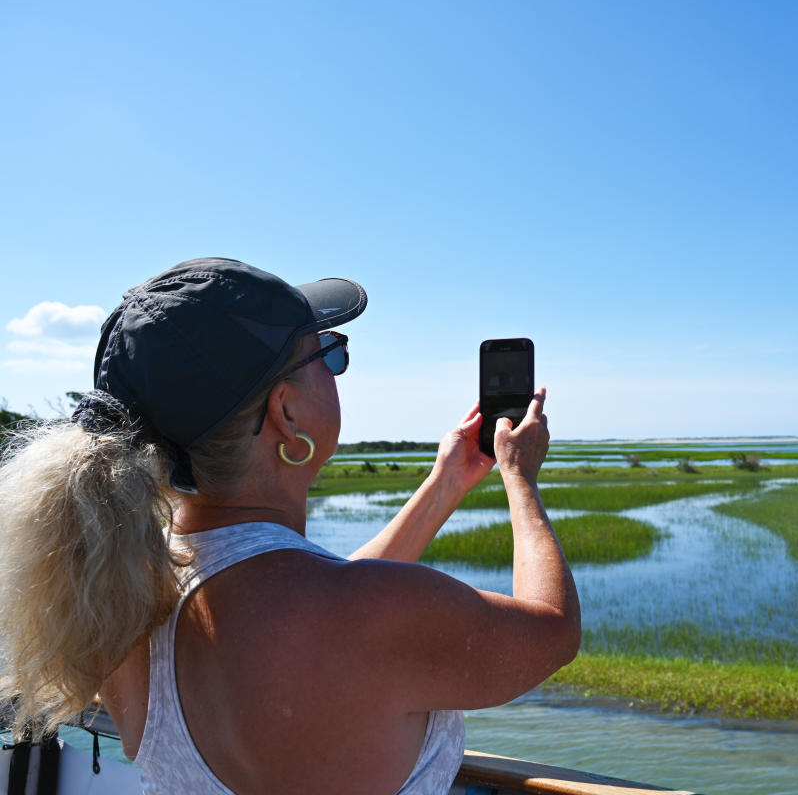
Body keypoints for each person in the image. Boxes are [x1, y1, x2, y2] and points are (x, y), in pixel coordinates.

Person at [0, 258, 580, 794]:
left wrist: (446, 482)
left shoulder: (124, 593)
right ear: (286, 412)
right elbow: (552, 633)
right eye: (328, 354)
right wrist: (519, 478)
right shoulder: (357, 613)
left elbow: (323, 604)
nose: (338, 372)